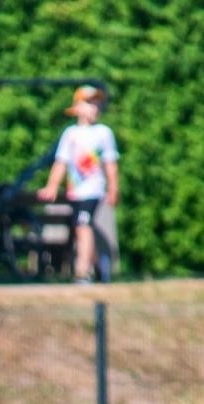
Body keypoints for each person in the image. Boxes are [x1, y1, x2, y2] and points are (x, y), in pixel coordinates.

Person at [38, 86, 120, 283]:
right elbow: (61, 162)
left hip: (94, 191)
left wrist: (113, 189)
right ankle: (99, 266)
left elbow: (110, 164)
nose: (95, 107)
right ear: (77, 107)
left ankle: (83, 271)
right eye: (89, 103)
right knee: (81, 228)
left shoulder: (103, 133)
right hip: (75, 192)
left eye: (97, 104)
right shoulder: (71, 134)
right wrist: (52, 185)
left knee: (83, 226)